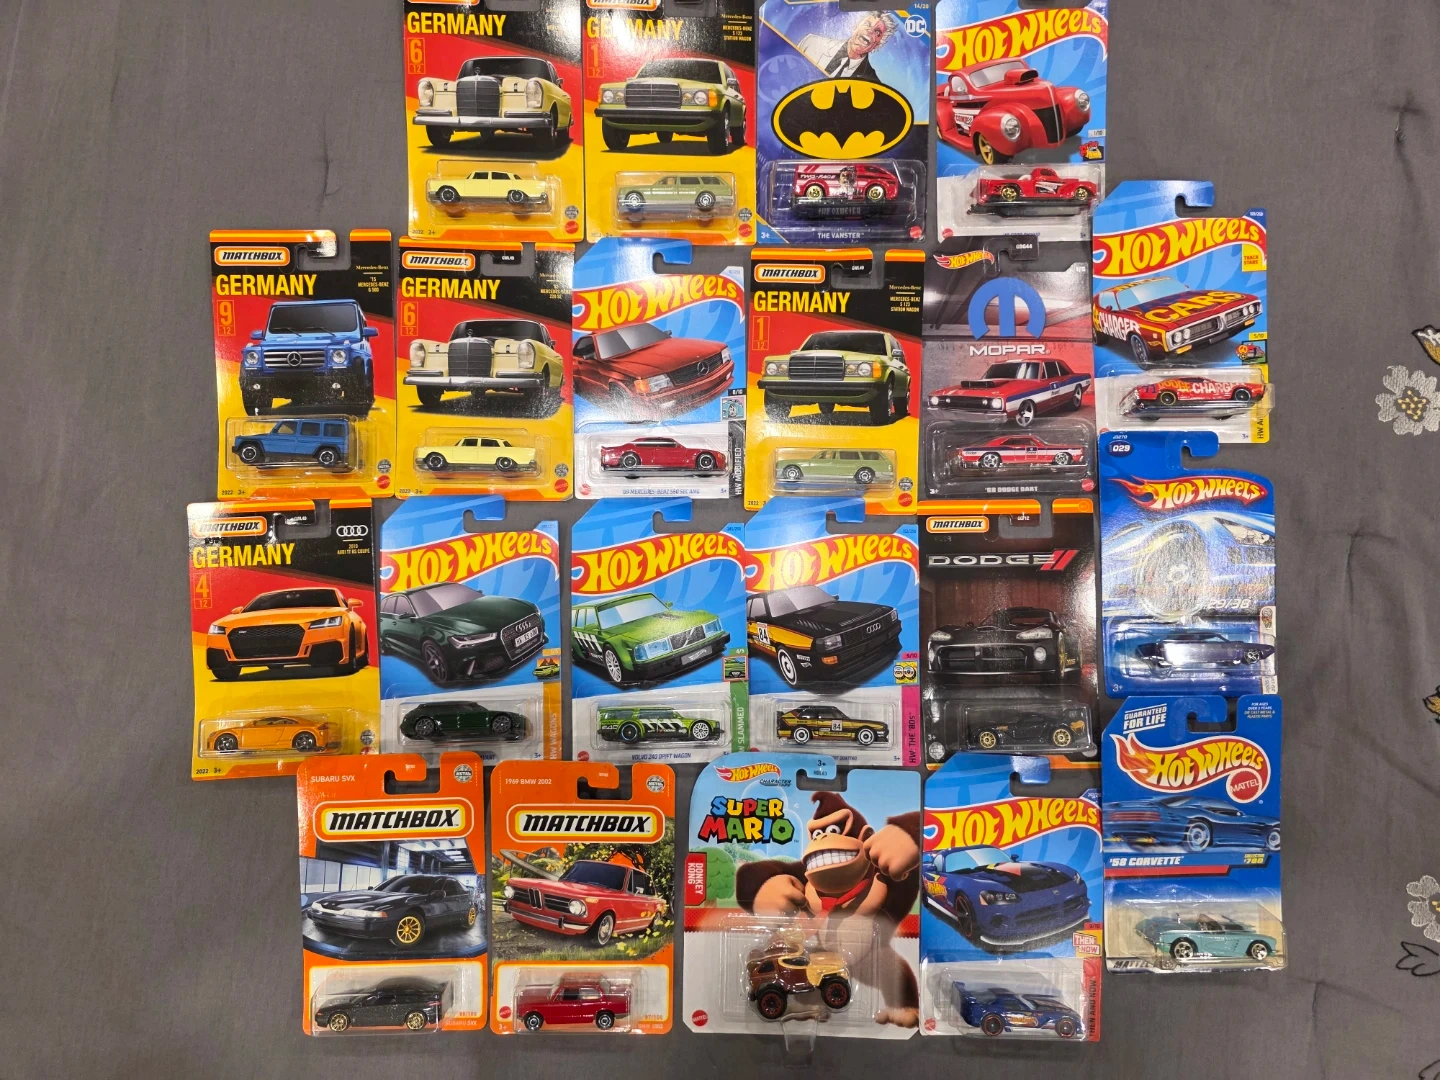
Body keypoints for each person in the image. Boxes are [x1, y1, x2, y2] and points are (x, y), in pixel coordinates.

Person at [797, 12, 900, 83]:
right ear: (855, 26)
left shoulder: (873, 82)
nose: (870, 31)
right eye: (867, 24)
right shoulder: (811, 44)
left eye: (877, 32)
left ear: (877, 44)